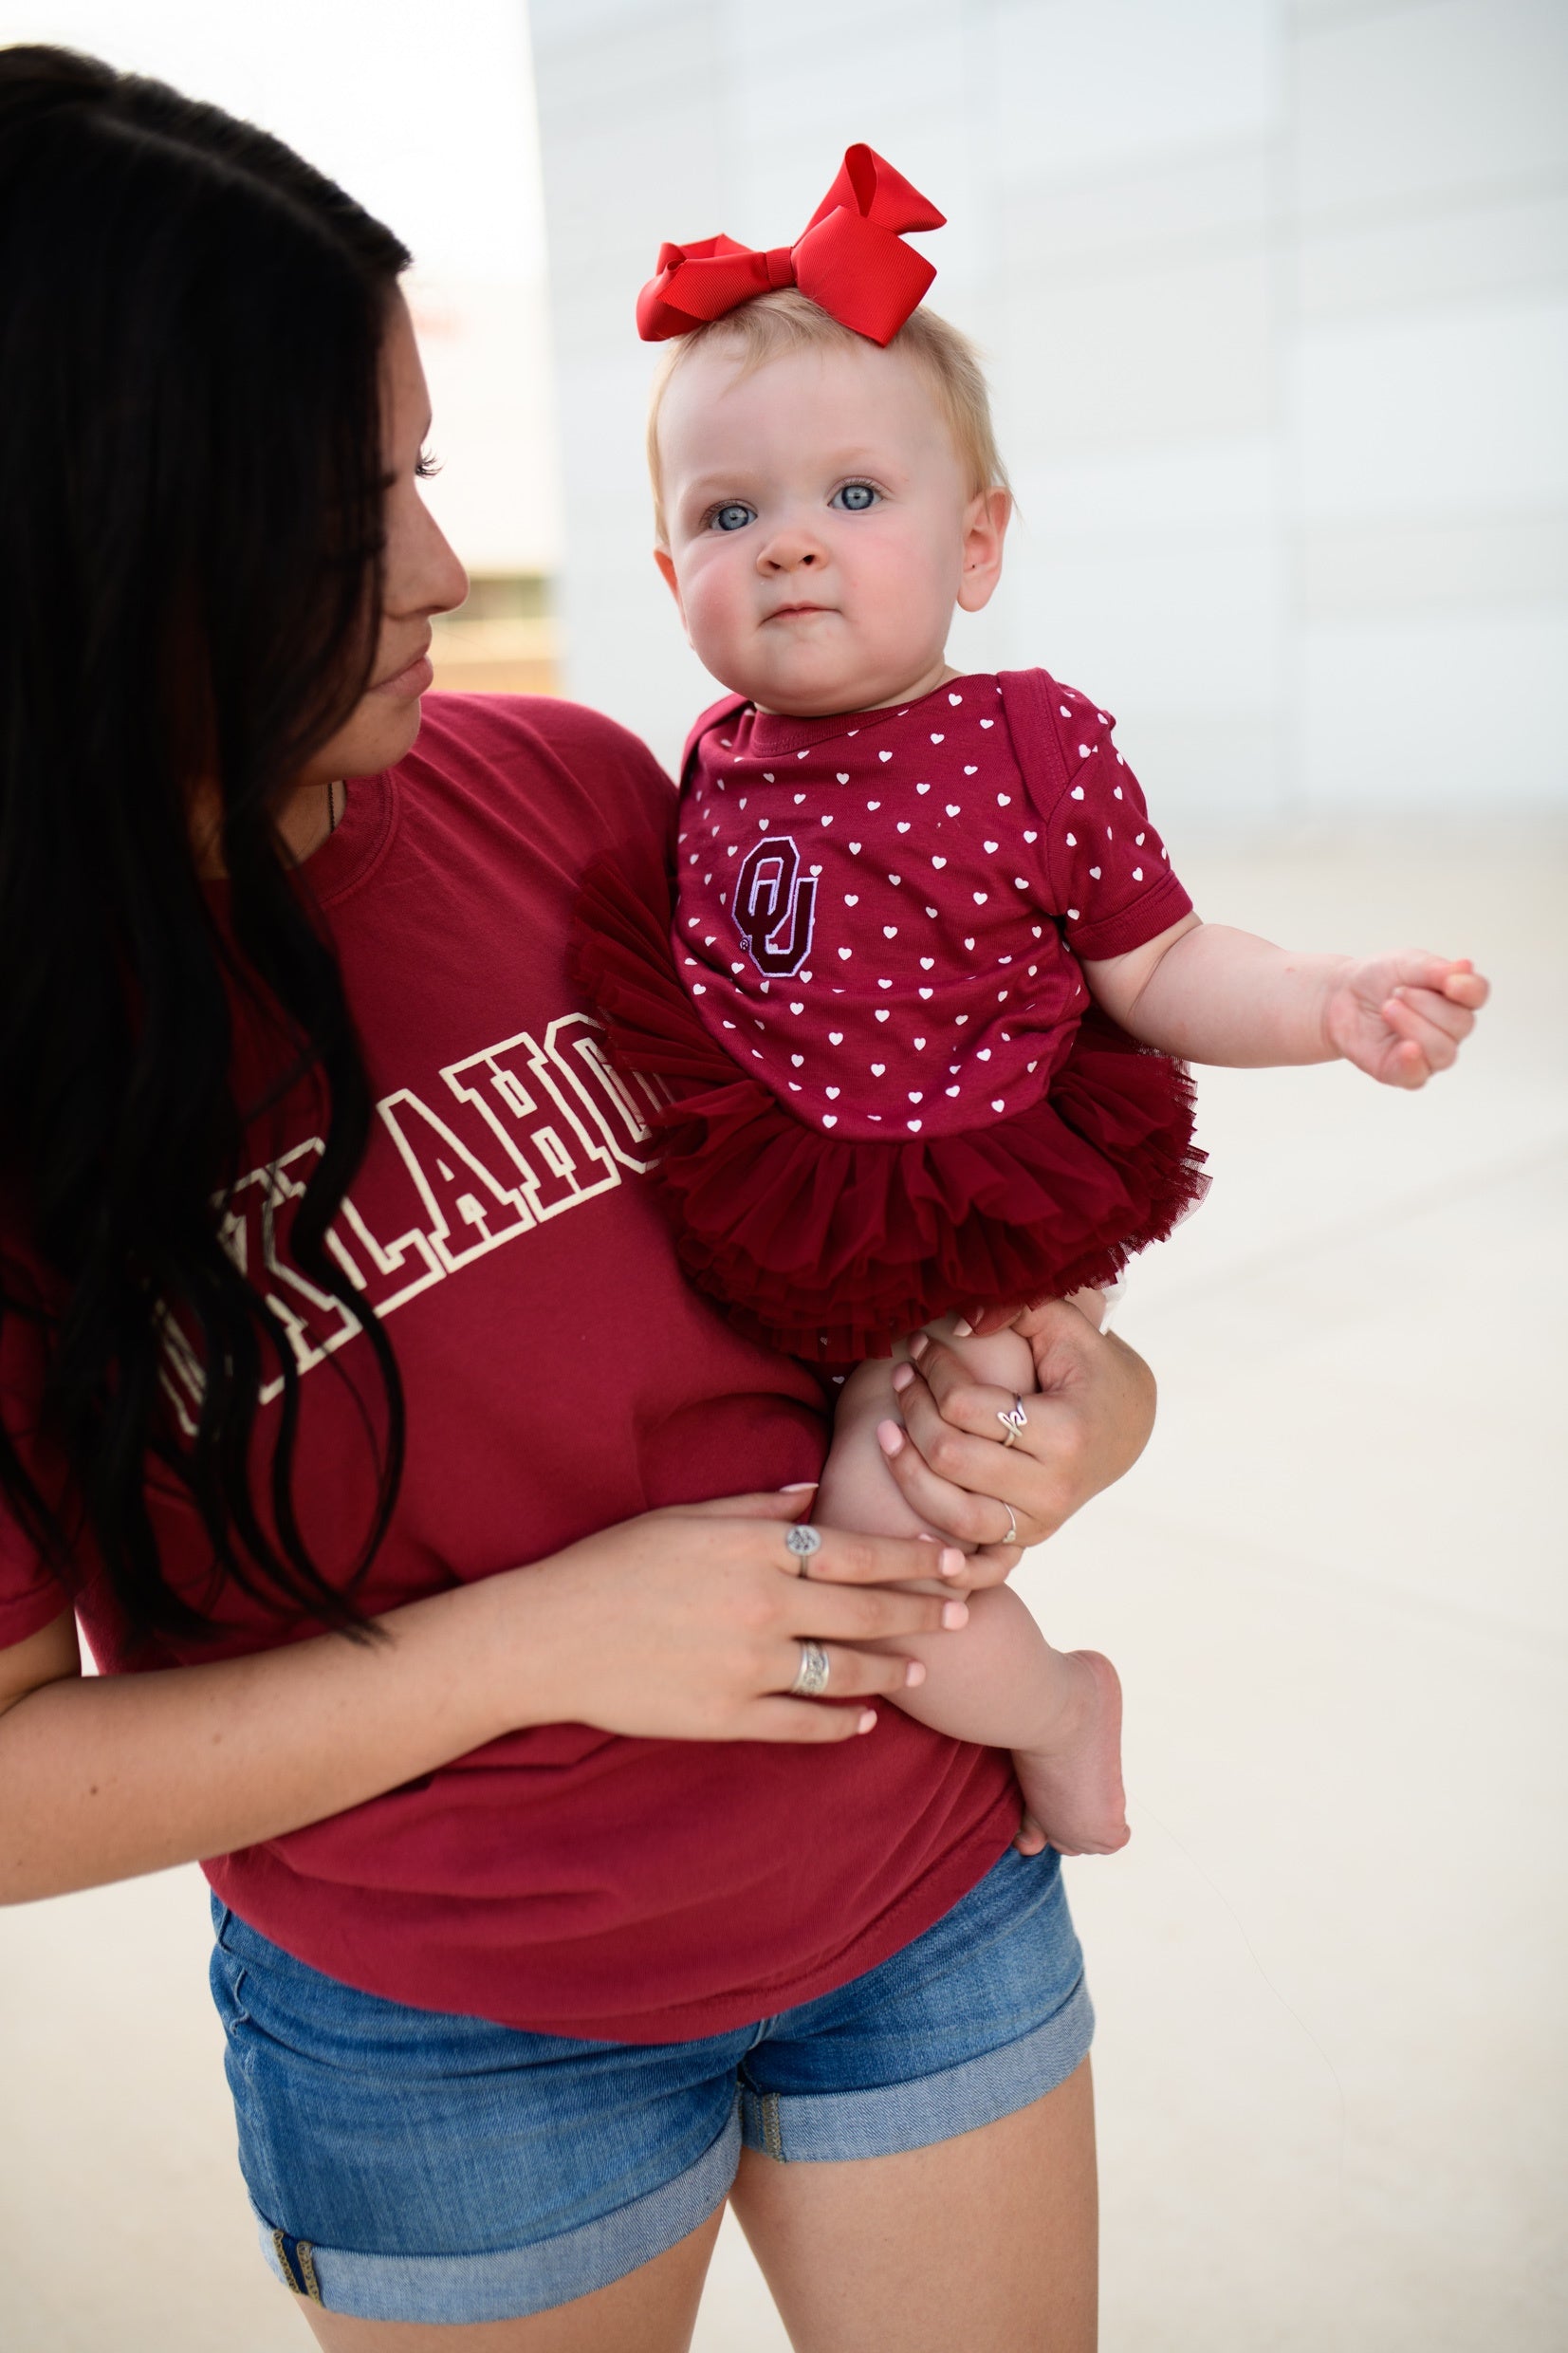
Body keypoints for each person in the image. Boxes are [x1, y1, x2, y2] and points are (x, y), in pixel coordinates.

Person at [0, 52, 1160, 2352]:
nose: (441, 567)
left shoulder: (574, 788)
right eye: (345, 521)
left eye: (419, 470)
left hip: (921, 1889)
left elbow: (892, 1214)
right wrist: (541, 1641)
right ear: (95, 563)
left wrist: (1069, 1398)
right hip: (451, 2049)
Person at [574, 145, 1490, 1864]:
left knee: (870, 1545)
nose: (787, 549)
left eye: (854, 498)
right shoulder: (704, 762)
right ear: (667, 574)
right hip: (786, 1201)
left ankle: (1057, 1704)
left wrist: (1326, 998)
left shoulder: (1022, 739)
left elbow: (1155, 962)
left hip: (973, 1198)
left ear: (976, 543)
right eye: (728, 514)